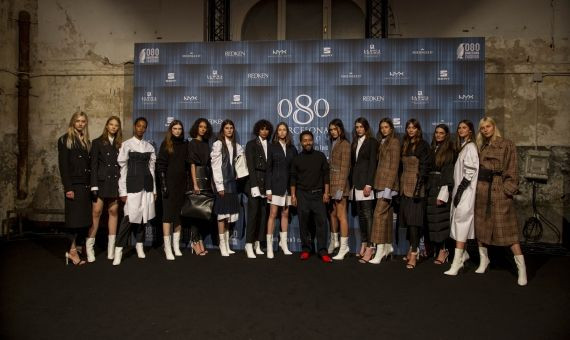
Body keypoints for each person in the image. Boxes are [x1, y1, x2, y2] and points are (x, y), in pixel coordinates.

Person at [474, 117, 527, 286]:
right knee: (481, 228)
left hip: (498, 190)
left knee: (508, 232)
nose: (485, 130)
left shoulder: (506, 144)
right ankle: (484, 261)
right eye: (482, 128)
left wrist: (507, 191)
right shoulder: (480, 145)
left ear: (494, 127)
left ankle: (522, 269)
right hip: (482, 190)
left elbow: (512, 169)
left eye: (488, 126)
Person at [113, 117, 157, 265]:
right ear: (134, 127)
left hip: (147, 186)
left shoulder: (149, 147)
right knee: (128, 218)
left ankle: (139, 246)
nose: (141, 129)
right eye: (139, 126)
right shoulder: (126, 145)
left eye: (144, 127)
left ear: (146, 129)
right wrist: (122, 191)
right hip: (131, 186)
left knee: (144, 218)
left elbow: (152, 169)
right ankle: (118, 250)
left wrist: (154, 190)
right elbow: (123, 170)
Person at [290, 130, 332, 263]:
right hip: (302, 195)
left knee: (321, 223)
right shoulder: (297, 159)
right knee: (304, 223)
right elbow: (293, 178)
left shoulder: (320, 156)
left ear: (313, 141)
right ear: (301, 142)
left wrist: (326, 192)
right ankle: (306, 249)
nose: (307, 142)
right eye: (305, 140)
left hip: (318, 194)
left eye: (310, 140)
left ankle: (322, 250)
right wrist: (293, 195)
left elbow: (326, 175)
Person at [57, 111, 92, 266]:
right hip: (74, 186)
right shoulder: (65, 140)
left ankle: (76, 248)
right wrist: (68, 188)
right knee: (73, 221)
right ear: (73, 122)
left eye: (83, 121)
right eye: (77, 121)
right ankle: (71, 251)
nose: (80, 123)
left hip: (85, 185)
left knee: (83, 221)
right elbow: (63, 166)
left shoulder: (86, 140)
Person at [444, 120, 479, 275]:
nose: (460, 130)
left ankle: (457, 262)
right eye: (459, 128)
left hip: (466, 192)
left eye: (464, 128)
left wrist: (460, 191)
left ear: (470, 130)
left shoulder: (470, 147)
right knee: (458, 223)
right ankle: (463, 255)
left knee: (461, 224)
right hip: (461, 191)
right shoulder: (464, 146)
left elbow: (470, 171)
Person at [88, 116, 122, 262]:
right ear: (107, 126)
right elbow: (93, 165)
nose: (113, 127)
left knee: (113, 211)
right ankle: (89, 247)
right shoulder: (97, 142)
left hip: (115, 182)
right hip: (101, 182)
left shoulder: (121, 144)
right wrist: (94, 184)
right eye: (111, 124)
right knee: (96, 212)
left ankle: (111, 248)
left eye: (116, 125)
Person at [399, 118, 431, 269]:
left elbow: (425, 168)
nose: (411, 130)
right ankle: (411, 248)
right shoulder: (405, 144)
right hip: (404, 186)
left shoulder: (423, 145)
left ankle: (413, 254)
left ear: (418, 129)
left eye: (414, 128)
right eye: (408, 127)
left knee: (414, 223)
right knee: (408, 222)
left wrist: (418, 188)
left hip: (417, 187)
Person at [369, 118, 400, 264]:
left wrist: (388, 187)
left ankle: (380, 250)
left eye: (386, 127)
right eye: (382, 127)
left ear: (392, 128)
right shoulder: (382, 141)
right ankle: (388, 247)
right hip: (380, 184)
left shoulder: (394, 142)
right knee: (386, 216)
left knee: (378, 216)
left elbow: (394, 166)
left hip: (388, 185)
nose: (383, 129)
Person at [211, 119, 244, 257]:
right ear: (222, 130)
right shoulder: (218, 144)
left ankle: (227, 243)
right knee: (222, 216)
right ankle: (222, 244)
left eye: (231, 128)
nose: (229, 130)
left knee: (229, 216)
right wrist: (219, 186)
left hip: (233, 184)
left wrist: (239, 172)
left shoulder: (237, 146)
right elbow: (216, 166)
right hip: (223, 184)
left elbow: (240, 164)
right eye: (227, 128)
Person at [157, 120, 188, 260]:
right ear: (171, 130)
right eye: (175, 128)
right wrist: (163, 185)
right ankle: (167, 247)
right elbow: (161, 166)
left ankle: (176, 246)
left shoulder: (185, 145)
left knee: (178, 216)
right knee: (167, 216)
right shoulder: (166, 144)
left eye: (179, 129)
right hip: (168, 184)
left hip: (181, 185)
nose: (177, 131)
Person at [265, 122, 297, 258]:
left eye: (284, 130)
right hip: (275, 186)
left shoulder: (292, 149)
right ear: (277, 133)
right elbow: (268, 169)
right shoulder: (272, 147)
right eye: (280, 130)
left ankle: (284, 245)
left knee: (285, 214)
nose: (282, 132)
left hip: (288, 187)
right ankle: (269, 247)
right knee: (273, 214)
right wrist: (268, 190)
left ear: (287, 132)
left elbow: (294, 171)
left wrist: (293, 191)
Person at [350, 117, 378, 263]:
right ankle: (364, 243)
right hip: (357, 184)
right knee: (361, 216)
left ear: (366, 128)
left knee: (368, 216)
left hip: (366, 184)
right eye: (356, 127)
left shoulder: (372, 142)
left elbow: (373, 163)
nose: (358, 129)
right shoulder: (355, 143)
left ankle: (371, 248)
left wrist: (369, 184)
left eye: (361, 127)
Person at [426, 124, 455, 265]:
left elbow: (448, 172)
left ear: (446, 135)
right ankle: (436, 249)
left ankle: (444, 251)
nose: (438, 135)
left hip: (440, 187)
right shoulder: (432, 148)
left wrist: (443, 193)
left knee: (441, 220)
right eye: (436, 132)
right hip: (430, 187)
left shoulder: (449, 151)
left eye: (441, 133)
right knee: (433, 221)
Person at [244, 120, 273, 258]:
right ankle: (248, 244)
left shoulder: (271, 145)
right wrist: (254, 186)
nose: (264, 131)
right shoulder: (251, 144)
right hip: (254, 182)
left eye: (267, 129)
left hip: (265, 182)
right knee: (253, 214)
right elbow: (250, 166)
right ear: (258, 130)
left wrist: (268, 189)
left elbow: (269, 169)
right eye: (262, 129)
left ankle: (257, 243)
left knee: (262, 215)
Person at [187, 118, 214, 256]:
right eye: (200, 127)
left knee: (203, 212)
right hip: (196, 178)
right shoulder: (192, 143)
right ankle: (194, 241)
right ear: (196, 128)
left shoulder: (205, 143)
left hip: (206, 178)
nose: (203, 129)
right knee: (195, 212)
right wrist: (195, 183)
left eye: (205, 127)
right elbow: (192, 164)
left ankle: (200, 239)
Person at [327, 119, 351, 260]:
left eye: (335, 129)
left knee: (342, 216)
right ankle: (334, 241)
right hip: (332, 185)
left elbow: (345, 168)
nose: (333, 132)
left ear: (340, 129)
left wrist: (340, 189)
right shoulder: (334, 143)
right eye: (331, 130)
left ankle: (344, 246)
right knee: (332, 214)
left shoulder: (345, 144)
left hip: (340, 186)